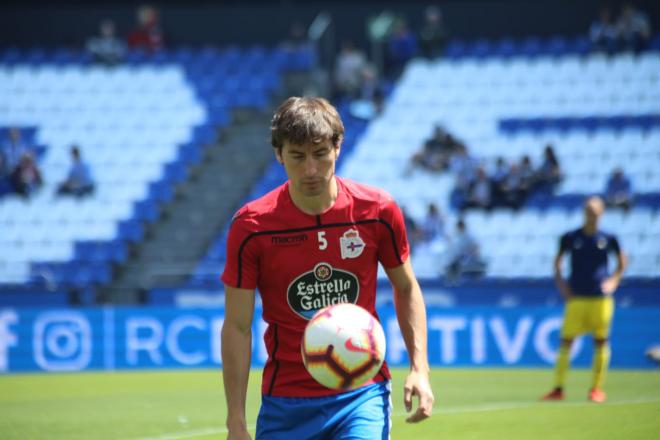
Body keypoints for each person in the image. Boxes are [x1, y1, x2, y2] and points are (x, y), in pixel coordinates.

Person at [221, 97, 434, 439]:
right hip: (285, 401)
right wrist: (235, 419)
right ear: (279, 154)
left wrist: (419, 369)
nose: (310, 170)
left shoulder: (377, 210)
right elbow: (237, 325)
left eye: (320, 154)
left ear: (338, 147)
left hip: (361, 393)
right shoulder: (252, 226)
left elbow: (406, 287)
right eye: (297, 156)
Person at [541, 196, 627, 403]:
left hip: (600, 299)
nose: (591, 214)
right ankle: (558, 388)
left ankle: (596, 389)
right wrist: (562, 285)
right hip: (576, 298)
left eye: (595, 211)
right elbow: (557, 262)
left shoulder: (609, 237)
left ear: (602, 212)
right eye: (588, 210)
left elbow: (622, 260)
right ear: (583, 212)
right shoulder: (570, 237)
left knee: (600, 342)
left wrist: (614, 281)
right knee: (566, 342)